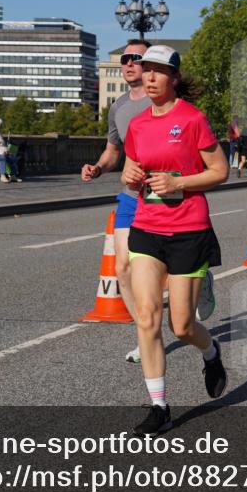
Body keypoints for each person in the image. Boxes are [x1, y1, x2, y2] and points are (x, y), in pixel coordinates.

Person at [83, 41, 218, 365]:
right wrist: (100, 169)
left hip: (178, 211)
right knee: (122, 268)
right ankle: (144, 332)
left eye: (138, 59)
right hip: (135, 199)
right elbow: (116, 152)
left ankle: (194, 279)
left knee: (178, 312)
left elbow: (216, 167)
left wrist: (177, 182)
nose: (132, 65)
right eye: (127, 60)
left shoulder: (182, 112)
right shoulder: (119, 108)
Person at [121, 45, 229, 436]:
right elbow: (130, 170)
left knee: (181, 326)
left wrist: (178, 183)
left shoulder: (192, 119)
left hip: (188, 230)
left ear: (174, 78)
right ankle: (159, 406)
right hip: (147, 228)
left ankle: (211, 353)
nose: (149, 77)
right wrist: (130, 177)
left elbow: (220, 171)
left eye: (158, 71)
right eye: (145, 69)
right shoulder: (137, 125)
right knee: (147, 317)